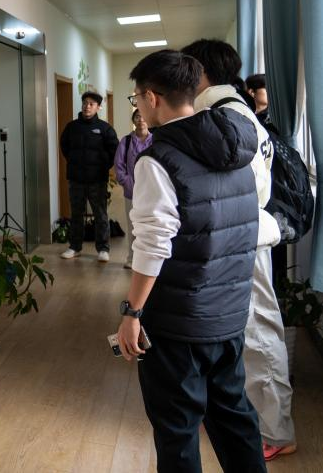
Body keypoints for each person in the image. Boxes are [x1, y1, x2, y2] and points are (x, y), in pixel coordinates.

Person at [116, 49, 267, 472]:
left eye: (136, 97)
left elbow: (152, 244)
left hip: (178, 323)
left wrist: (132, 311)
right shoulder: (237, 148)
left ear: (152, 97)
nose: (139, 104)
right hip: (228, 315)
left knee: (178, 430)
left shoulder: (158, 160)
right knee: (234, 419)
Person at [181, 40, 294, 462]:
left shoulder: (226, 115)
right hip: (242, 237)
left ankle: (276, 430)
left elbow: (237, 187)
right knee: (249, 331)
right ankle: (258, 421)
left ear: (200, 72)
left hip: (241, 239)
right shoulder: (235, 110)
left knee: (258, 332)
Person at [59, 90, 118, 262]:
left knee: (100, 214)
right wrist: (74, 161)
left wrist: (103, 166)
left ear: (98, 107)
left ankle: (103, 249)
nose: (87, 106)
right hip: (76, 179)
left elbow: (114, 151)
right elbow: (64, 147)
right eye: (85, 103)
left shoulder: (105, 128)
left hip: (97, 180)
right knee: (76, 214)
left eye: (91, 104)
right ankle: (75, 247)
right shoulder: (71, 127)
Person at [114, 108, 152, 270]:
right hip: (132, 191)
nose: (141, 119)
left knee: (150, 227)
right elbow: (119, 165)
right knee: (133, 227)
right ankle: (132, 258)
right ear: (133, 120)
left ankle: (148, 261)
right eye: (137, 117)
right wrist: (127, 182)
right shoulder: (126, 141)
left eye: (143, 116)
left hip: (152, 192)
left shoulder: (156, 140)